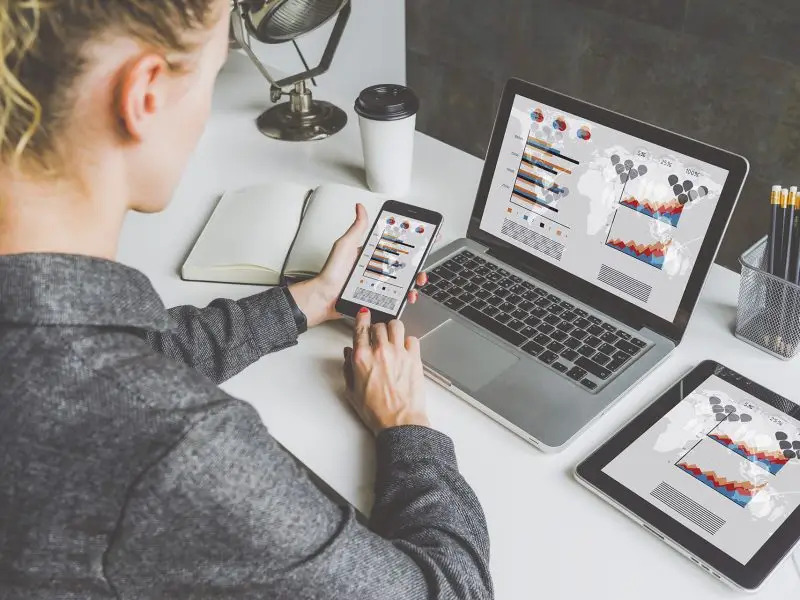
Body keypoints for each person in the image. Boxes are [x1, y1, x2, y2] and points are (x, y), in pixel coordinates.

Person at [0, 1, 493, 599]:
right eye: (214, 73)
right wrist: (408, 427)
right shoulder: (177, 447)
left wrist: (305, 301)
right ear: (146, 95)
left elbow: (96, 355)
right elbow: (447, 592)